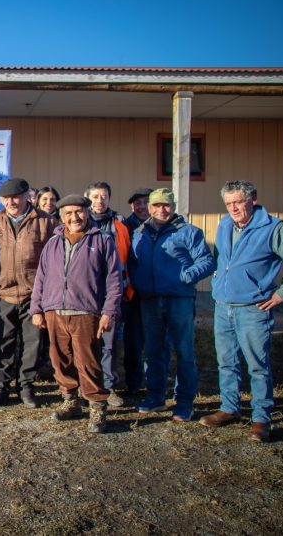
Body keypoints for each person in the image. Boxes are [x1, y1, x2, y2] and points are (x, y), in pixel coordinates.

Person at [200, 180, 283, 442]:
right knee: (226, 362)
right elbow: (222, 259)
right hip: (224, 306)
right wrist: (219, 283)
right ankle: (229, 408)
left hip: (253, 309)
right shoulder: (225, 224)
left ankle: (261, 418)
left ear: (252, 199)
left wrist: (281, 294)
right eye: (229, 203)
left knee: (257, 365)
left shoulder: (272, 228)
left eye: (238, 202)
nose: (233, 208)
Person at [30, 194, 122, 434]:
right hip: (54, 311)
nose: (74, 217)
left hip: (86, 311)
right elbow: (41, 277)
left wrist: (108, 312)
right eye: (69, 213)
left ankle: (97, 406)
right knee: (60, 360)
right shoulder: (53, 242)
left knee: (88, 361)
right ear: (61, 216)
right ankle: (71, 401)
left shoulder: (103, 240)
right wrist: (37, 308)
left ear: (87, 213)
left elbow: (114, 280)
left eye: (79, 212)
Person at [129, 189, 215, 422]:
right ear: (150, 207)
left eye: (166, 205)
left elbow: (207, 261)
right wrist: (139, 283)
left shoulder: (189, 232)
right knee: (154, 351)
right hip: (150, 300)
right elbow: (133, 263)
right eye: (156, 205)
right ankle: (156, 396)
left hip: (179, 300)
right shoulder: (140, 233)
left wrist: (186, 277)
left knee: (184, 351)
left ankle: (184, 402)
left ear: (173, 206)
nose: (161, 210)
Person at [0, 178, 57, 408]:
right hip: (2, 293)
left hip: (33, 294)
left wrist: (47, 293)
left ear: (27, 196)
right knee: (2, 344)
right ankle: (0, 387)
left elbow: (53, 261)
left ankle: (26, 387)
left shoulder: (46, 222)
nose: (11, 202)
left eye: (16, 197)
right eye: (6, 198)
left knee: (32, 344)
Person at [84, 181, 132, 407]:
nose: (99, 201)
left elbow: (128, 257)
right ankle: (86, 386)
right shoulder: (81, 221)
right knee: (85, 342)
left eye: (103, 196)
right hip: (86, 293)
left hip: (113, 290)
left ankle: (109, 386)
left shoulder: (119, 223)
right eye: (94, 197)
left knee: (109, 342)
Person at [119, 186, 152, 394]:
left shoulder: (162, 225)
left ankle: (153, 383)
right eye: (137, 203)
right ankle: (133, 383)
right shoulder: (125, 226)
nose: (141, 207)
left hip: (156, 293)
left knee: (156, 342)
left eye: (145, 202)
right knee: (132, 341)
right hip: (132, 294)